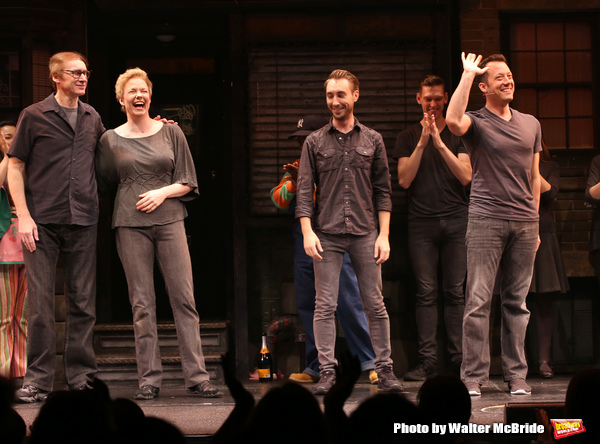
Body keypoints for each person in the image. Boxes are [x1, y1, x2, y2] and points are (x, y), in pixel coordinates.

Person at [96, 68, 221, 400]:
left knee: (184, 298)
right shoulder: (109, 139)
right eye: (132, 91)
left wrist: (162, 193)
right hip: (128, 223)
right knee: (141, 303)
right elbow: (103, 182)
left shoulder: (171, 133)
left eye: (144, 91)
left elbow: (189, 181)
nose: (139, 96)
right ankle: (148, 379)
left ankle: (197, 376)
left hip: (170, 221)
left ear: (150, 96)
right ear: (121, 99)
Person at [295, 69, 402, 395]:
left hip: (365, 231)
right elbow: (303, 192)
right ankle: (327, 372)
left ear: (355, 95)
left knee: (375, 304)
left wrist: (384, 235)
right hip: (326, 233)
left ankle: (384, 370)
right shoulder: (314, 141)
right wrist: (307, 232)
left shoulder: (373, 139)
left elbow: (383, 190)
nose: (335, 101)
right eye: (330, 95)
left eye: (341, 95)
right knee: (324, 305)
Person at [8, 52, 104, 402]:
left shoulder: (93, 117)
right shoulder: (33, 115)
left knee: (83, 303)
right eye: (75, 73)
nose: (82, 78)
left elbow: (111, 154)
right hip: (41, 222)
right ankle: (38, 380)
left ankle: (81, 378)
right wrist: (24, 216)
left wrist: (157, 129)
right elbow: (15, 165)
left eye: (85, 73)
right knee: (41, 306)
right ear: (55, 77)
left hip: (83, 219)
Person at [446, 53, 541, 396]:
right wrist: (468, 75)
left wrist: (537, 223)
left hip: (525, 223)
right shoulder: (477, 121)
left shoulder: (531, 123)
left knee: (517, 302)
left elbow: (534, 176)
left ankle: (516, 375)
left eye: (509, 74)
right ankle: (473, 376)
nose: (507, 80)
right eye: (499, 77)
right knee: (478, 301)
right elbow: (452, 120)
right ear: (485, 87)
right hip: (486, 219)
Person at [270, 114, 377, 384]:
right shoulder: (294, 167)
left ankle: (370, 361)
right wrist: (295, 182)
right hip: (304, 240)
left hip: (336, 236)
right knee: (309, 302)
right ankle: (317, 364)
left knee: (348, 301)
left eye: (306, 139)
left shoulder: (336, 163)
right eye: (299, 141)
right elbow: (279, 201)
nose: (302, 145)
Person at [394, 75, 471, 381]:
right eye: (428, 99)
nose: (433, 104)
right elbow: (404, 180)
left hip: (457, 219)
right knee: (425, 293)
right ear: (419, 99)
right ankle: (427, 362)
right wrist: (424, 141)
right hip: (421, 224)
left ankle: (459, 362)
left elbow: (466, 176)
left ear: (446, 99)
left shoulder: (458, 133)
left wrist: (439, 142)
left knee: (455, 292)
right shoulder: (407, 136)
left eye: (438, 99)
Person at [528, 141, 569, 379]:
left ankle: (544, 360)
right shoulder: (509, 161)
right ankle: (517, 362)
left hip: (544, 233)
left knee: (544, 300)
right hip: (515, 231)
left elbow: (550, 193)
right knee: (516, 300)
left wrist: (531, 168)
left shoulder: (549, 166)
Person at [0, 121, 28, 381]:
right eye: (7, 137)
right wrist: (9, 156)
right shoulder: (6, 166)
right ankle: (5, 374)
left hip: (29, 242)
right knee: (5, 316)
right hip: (4, 246)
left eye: (15, 137)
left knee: (23, 316)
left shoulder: (28, 166)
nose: (12, 141)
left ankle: (22, 372)